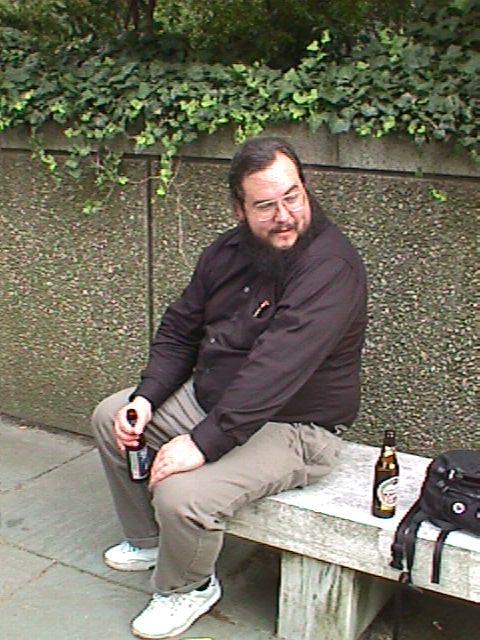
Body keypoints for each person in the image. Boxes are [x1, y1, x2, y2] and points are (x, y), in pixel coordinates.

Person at [92, 136, 368, 639]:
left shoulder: (331, 267)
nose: (284, 216)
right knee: (114, 417)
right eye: (265, 206)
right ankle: (150, 541)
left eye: (293, 197)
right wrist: (147, 396)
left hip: (295, 424)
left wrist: (202, 443)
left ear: (305, 189)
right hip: (216, 400)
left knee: (183, 495)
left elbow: (275, 368)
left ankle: (189, 587)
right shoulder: (227, 250)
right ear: (240, 209)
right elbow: (180, 328)